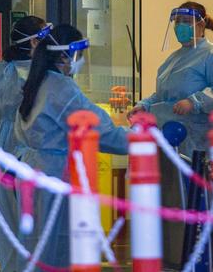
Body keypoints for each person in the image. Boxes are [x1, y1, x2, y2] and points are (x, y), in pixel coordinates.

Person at [128, 1, 213, 266]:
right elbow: (165, 94)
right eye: (177, 24)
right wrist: (145, 104)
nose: (181, 29)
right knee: (187, 207)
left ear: (201, 24)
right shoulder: (172, 61)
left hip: (208, 143)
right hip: (178, 144)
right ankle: (186, 259)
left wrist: (195, 102)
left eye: (186, 23)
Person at [14, 24, 128, 270]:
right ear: (65, 56)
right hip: (56, 176)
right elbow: (99, 131)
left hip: (31, 173)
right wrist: (142, 139)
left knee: (36, 250)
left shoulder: (37, 81)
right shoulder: (61, 88)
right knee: (57, 252)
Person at [0, 15, 47, 272]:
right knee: (22, 211)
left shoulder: (1, 69)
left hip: (0, 141)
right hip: (24, 143)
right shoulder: (36, 73)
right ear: (33, 42)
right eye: (43, 38)